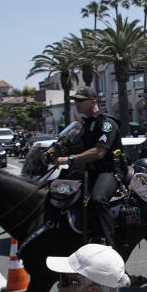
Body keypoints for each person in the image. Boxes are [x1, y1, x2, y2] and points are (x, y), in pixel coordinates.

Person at [50, 87, 124, 248]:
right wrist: (55, 149)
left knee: (98, 198)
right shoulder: (86, 123)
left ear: (93, 101)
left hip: (110, 171)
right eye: (76, 101)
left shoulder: (106, 123)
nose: (77, 104)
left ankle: (109, 244)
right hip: (91, 170)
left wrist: (68, 159)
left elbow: (98, 152)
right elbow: (77, 145)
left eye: (81, 101)